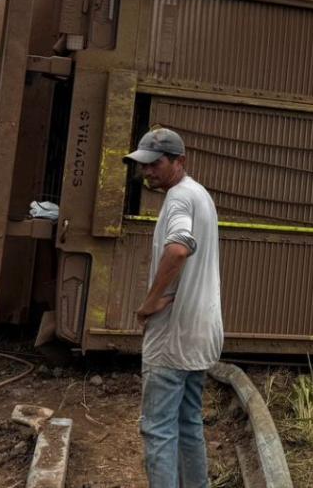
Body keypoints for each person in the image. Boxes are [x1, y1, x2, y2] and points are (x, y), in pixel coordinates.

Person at [123, 128, 221, 488]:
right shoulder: (200, 195)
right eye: (143, 165)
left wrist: (150, 303)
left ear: (180, 161)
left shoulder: (179, 198)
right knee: (188, 423)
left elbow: (179, 248)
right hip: (200, 330)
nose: (147, 172)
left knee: (158, 428)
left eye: (155, 164)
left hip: (173, 334)